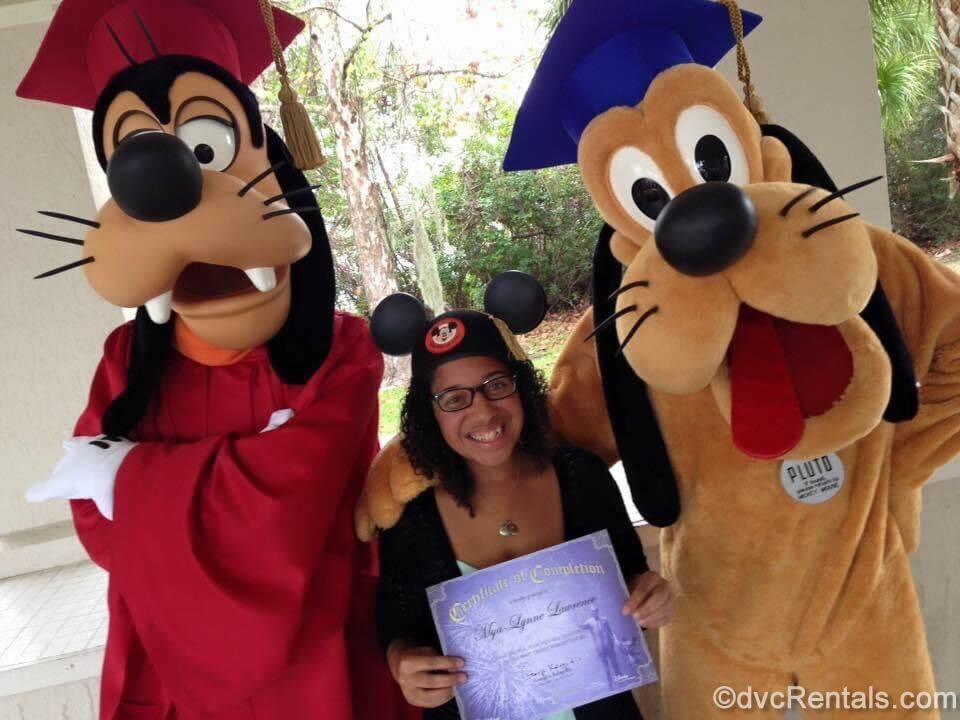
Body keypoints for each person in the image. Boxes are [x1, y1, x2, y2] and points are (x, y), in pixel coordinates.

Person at [367, 273, 675, 720]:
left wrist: (651, 596)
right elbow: (398, 628)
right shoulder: (413, 518)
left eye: (496, 385)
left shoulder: (582, 478)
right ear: (429, 414)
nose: (483, 411)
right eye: (454, 398)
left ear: (522, 387)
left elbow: (631, 582)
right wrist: (403, 664)